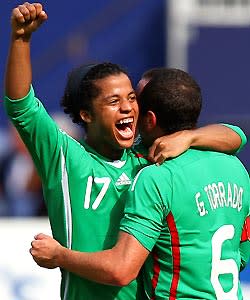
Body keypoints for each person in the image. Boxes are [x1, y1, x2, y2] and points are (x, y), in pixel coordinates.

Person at [5, 3, 247, 300]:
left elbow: (234, 136)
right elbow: (21, 107)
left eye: (132, 97)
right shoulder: (67, 159)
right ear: (86, 115)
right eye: (113, 100)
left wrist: (188, 138)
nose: (127, 107)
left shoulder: (145, 157)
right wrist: (20, 39)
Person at [30, 69, 250, 300]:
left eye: (135, 99)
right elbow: (241, 256)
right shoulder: (236, 168)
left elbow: (121, 269)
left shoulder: (156, 175)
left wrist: (59, 255)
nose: (128, 108)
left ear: (150, 118)